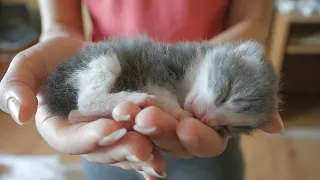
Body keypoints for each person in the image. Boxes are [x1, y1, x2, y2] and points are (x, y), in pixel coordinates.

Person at [0, 0, 283, 179]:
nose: (208, 118)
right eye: (221, 96)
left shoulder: (204, 119)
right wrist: (171, 108)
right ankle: (93, 104)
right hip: (107, 106)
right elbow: (61, 23)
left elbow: (253, 21)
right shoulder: (187, 61)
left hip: (203, 151)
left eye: (224, 125)